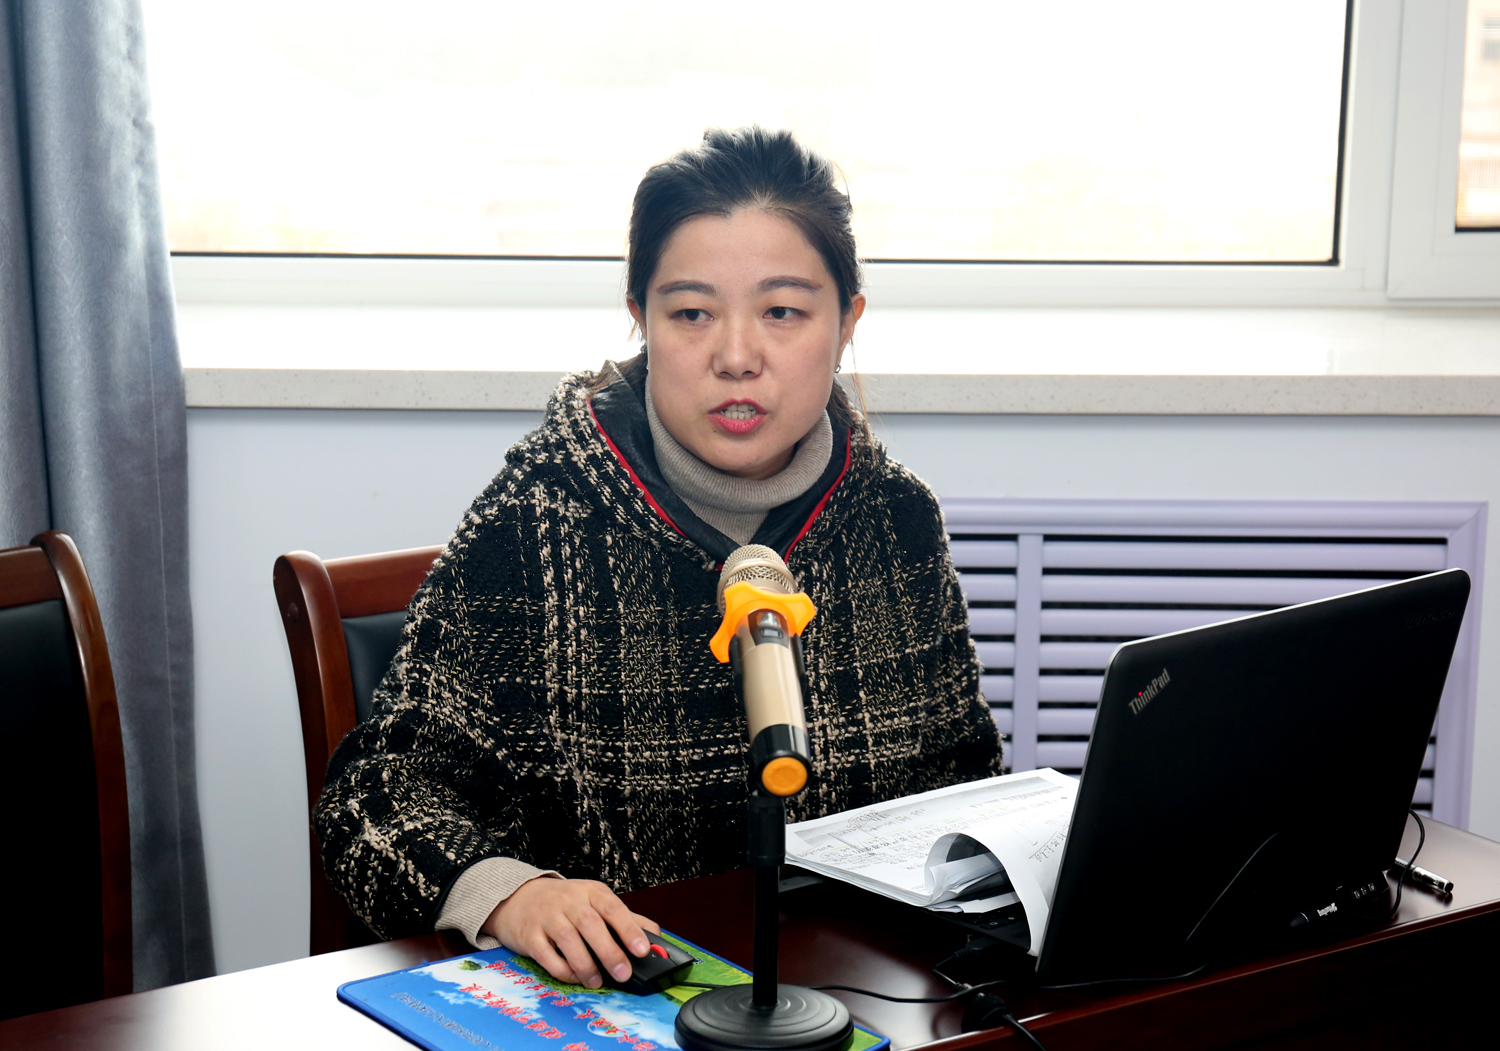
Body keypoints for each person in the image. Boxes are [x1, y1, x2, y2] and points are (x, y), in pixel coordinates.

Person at [316, 126, 1001, 991]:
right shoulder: (535, 521)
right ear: (640, 316)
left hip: (857, 992)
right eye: (691, 313)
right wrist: (512, 894)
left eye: (783, 311)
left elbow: (964, 786)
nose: (737, 357)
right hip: (613, 1000)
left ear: (846, 322)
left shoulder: (895, 517)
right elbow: (374, 796)